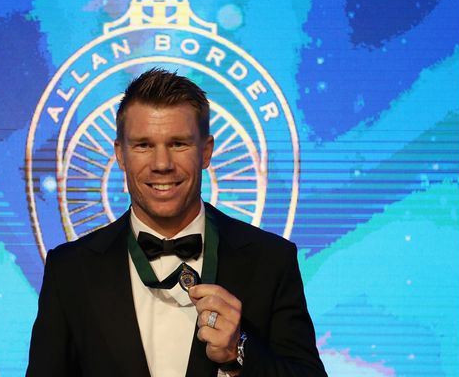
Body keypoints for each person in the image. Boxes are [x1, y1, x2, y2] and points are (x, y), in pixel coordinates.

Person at [27, 68, 326, 376]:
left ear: (206, 151)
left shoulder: (271, 260)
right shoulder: (70, 270)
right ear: (120, 154)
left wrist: (239, 351)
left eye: (178, 144)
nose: (161, 165)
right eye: (143, 145)